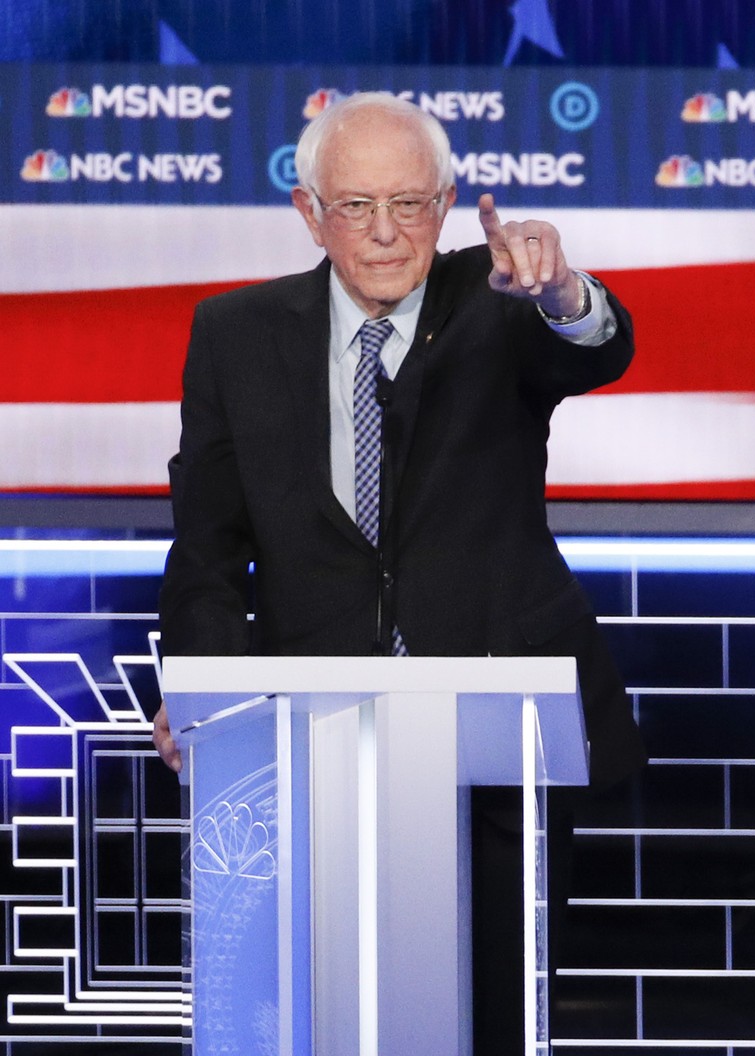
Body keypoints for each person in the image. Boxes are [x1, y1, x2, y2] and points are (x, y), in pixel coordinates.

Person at [151, 91, 646, 1048]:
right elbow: (206, 542)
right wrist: (206, 693)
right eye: (357, 206)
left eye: (410, 204)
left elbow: (599, 346)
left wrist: (563, 294)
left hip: (505, 743)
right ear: (310, 213)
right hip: (311, 743)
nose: (386, 233)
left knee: (494, 1017)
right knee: (317, 1014)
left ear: (446, 204)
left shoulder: (501, 302)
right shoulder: (236, 333)